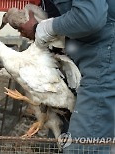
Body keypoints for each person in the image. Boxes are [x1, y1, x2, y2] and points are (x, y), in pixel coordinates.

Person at [19, 0, 115, 153]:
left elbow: (88, 17)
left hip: (103, 62)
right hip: (89, 60)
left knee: (83, 147)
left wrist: (42, 28)